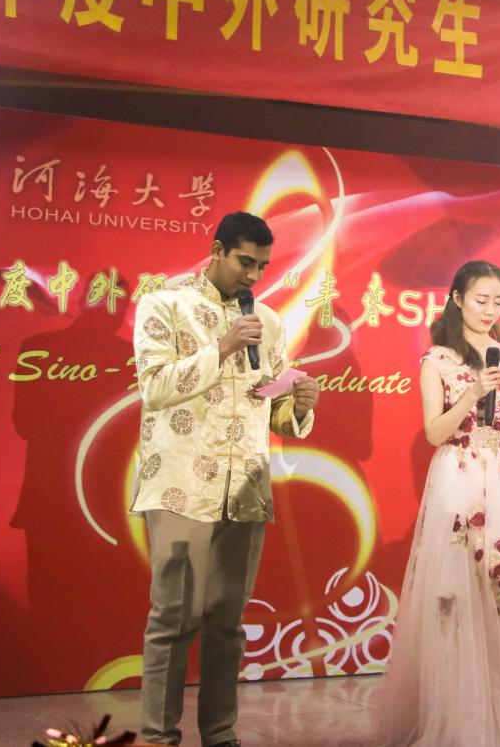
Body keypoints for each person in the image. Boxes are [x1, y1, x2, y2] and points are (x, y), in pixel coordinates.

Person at [131, 211, 321, 747]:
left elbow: (270, 404)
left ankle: (220, 733)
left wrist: (297, 406)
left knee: (225, 620)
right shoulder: (164, 304)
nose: (254, 276)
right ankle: (158, 737)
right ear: (216, 250)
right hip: (180, 485)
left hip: (245, 489)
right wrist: (223, 348)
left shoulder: (269, 321)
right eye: (245, 262)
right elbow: (154, 388)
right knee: (174, 616)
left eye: (262, 266)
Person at [378, 260, 500, 747]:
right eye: (481, 300)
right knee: (459, 594)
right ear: (457, 299)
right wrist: (471, 393)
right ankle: (464, 719)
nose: (490, 310)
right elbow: (434, 432)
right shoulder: (438, 359)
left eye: (498, 301)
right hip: (460, 473)